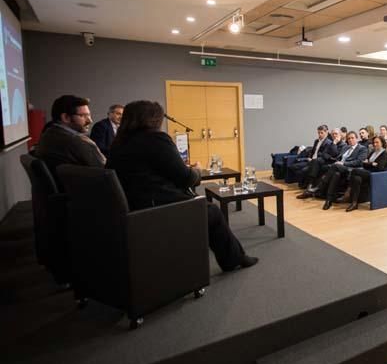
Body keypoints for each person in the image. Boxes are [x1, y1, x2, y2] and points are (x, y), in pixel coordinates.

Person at [106, 100, 257, 271]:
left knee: (208, 210)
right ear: (153, 119)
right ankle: (234, 259)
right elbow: (186, 179)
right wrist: (198, 171)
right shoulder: (155, 139)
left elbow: (145, 171)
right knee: (211, 211)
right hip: (158, 208)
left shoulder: (118, 144)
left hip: (135, 207)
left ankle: (232, 256)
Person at [35, 95, 105, 186]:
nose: (90, 120)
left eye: (89, 115)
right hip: (84, 193)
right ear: (65, 117)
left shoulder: (49, 133)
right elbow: (105, 171)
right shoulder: (75, 141)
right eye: (83, 116)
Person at [318, 131, 368, 210]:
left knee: (335, 166)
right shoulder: (346, 147)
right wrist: (338, 162)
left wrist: (343, 163)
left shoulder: (362, 148)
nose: (350, 140)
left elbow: (359, 162)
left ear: (356, 139)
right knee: (336, 174)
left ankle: (320, 186)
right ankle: (328, 201)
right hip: (341, 169)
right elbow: (338, 157)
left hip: (352, 169)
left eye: (352, 138)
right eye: (349, 138)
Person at [344, 136, 387, 212]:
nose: (375, 144)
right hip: (368, 172)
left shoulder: (384, 153)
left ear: (382, 143)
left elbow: (379, 168)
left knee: (354, 171)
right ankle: (354, 203)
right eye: (374, 142)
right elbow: (364, 164)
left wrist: (369, 163)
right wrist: (372, 164)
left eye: (377, 142)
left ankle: (348, 190)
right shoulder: (373, 152)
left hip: (376, 175)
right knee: (356, 178)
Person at [293, 125, 338, 194]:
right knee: (295, 166)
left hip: (318, 161)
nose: (320, 134)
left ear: (326, 132)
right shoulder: (316, 141)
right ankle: (305, 185)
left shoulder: (328, 142)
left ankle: (309, 186)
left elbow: (326, 154)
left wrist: (314, 159)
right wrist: (310, 157)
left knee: (304, 170)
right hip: (312, 160)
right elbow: (313, 151)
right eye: (318, 133)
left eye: (321, 133)